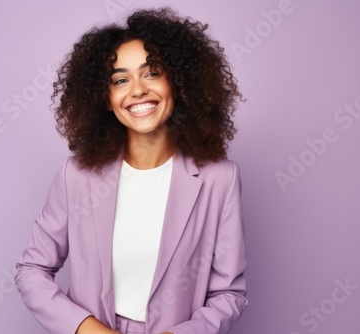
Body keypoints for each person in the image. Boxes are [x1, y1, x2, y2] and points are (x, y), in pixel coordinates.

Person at [15, 7, 247, 334]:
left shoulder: (220, 179)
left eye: (152, 72)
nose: (137, 90)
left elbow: (229, 293)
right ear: (106, 98)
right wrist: (86, 329)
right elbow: (32, 270)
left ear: (178, 84)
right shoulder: (76, 176)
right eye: (120, 80)